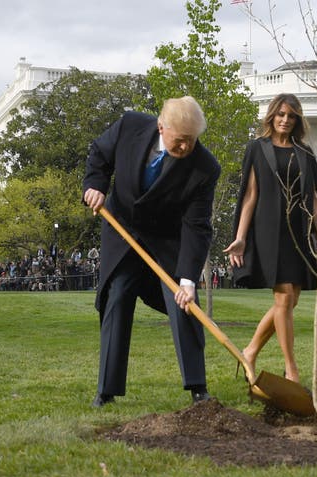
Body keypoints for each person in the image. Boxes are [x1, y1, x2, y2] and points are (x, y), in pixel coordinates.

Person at [83, 96, 220, 407]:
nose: (186, 148)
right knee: (117, 296)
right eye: (180, 140)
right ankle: (106, 390)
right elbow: (99, 154)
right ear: (162, 126)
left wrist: (188, 278)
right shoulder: (130, 125)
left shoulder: (205, 167)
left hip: (167, 239)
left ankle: (198, 387)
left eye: (192, 141)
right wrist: (95, 185)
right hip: (123, 230)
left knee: (183, 304)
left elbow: (197, 225)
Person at [224, 93, 317, 384]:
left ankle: (250, 351)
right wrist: (241, 238)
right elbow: (250, 196)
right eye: (281, 114)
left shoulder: (304, 152)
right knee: (284, 296)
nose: (285, 120)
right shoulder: (257, 149)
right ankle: (292, 370)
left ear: (297, 120)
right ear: (271, 116)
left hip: (298, 229)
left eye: (291, 116)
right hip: (269, 230)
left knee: (290, 299)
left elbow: (313, 197)